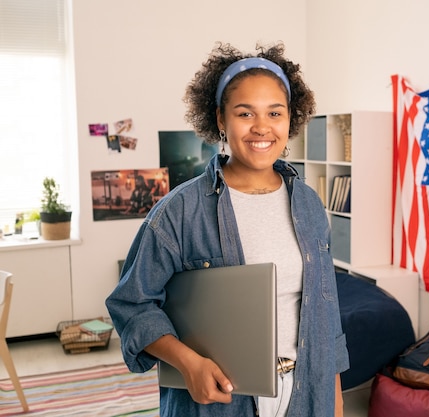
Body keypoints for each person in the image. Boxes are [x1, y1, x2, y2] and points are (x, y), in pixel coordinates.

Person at [105, 42, 349, 417]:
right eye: (245, 113)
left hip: (305, 392)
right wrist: (188, 363)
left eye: (275, 113)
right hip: (220, 401)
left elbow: (325, 313)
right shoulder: (178, 211)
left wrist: (334, 402)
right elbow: (131, 304)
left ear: (290, 119)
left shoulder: (309, 204)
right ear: (220, 119)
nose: (262, 127)